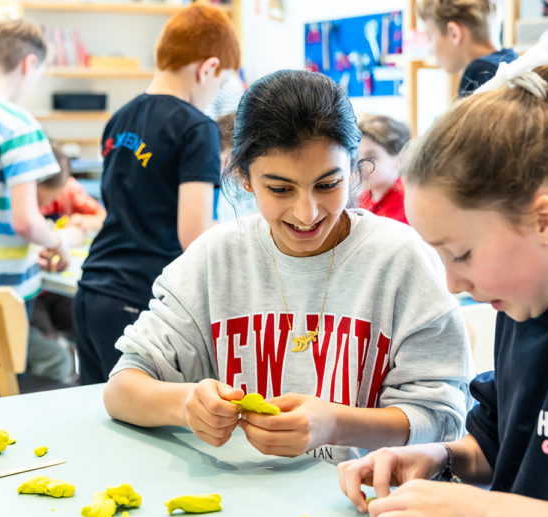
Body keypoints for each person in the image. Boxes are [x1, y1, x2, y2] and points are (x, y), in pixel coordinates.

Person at [103, 69, 474, 464]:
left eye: (327, 184)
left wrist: (335, 424)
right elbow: (121, 388)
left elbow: (444, 419)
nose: (306, 212)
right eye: (279, 189)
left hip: (368, 503)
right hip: (237, 501)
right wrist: (186, 402)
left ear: (352, 169)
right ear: (244, 178)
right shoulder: (215, 258)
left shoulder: (401, 260)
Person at [337, 64, 548, 517]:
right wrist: (439, 459)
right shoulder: (523, 300)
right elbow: (501, 442)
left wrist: (486, 515)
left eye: (461, 254)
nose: (452, 283)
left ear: (545, 221)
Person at [73, 4, 240, 385]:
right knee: (141, 423)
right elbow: (194, 236)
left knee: (99, 418)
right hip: (139, 296)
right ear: (208, 68)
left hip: (91, 290)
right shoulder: (197, 128)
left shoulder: (121, 117)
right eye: (221, 82)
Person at [0, 19, 71, 400]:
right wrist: (58, 242)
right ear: (29, 64)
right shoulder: (15, 123)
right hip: (1, 292)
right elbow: (26, 220)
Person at [416, 0, 517, 96]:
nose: (430, 50)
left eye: (430, 37)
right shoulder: (511, 59)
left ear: (454, 34)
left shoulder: (479, 73)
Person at [37, 143, 107, 235]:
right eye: (39, 199)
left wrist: (84, 221)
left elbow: (104, 217)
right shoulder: (23, 191)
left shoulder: (70, 190)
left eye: (51, 198)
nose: (44, 205)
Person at [357, 115, 410, 224]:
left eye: (371, 157)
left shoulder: (406, 206)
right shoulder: (364, 197)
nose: (360, 165)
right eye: (356, 156)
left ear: (399, 160)